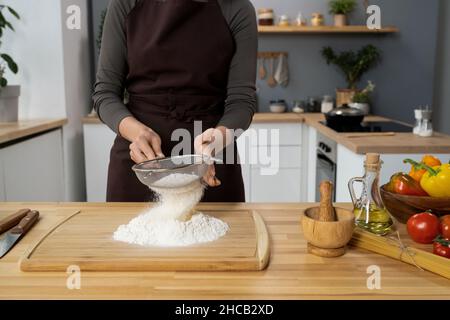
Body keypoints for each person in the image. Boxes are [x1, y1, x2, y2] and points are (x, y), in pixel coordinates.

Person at [92, 0, 257, 202]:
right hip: (140, 162)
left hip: (210, 161)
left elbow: (242, 102)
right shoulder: (125, 4)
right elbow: (105, 94)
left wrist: (217, 139)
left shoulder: (238, 8)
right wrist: (137, 133)